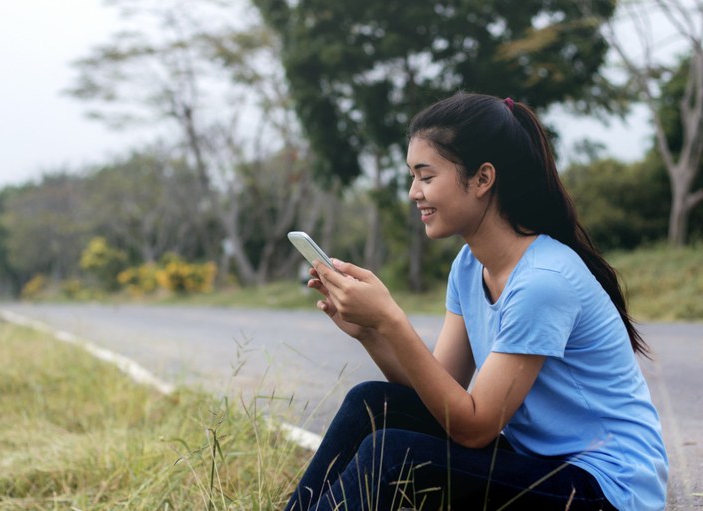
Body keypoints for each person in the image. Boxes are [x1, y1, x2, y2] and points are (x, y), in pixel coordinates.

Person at [284, 92, 668, 511]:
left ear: (483, 179)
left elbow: (473, 429)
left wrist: (392, 320)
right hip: (539, 467)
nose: (414, 192)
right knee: (371, 402)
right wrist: (371, 332)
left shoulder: (543, 281)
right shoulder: (470, 266)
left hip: (607, 489)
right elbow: (441, 398)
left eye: (426, 176)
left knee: (393, 456)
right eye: (412, 177)